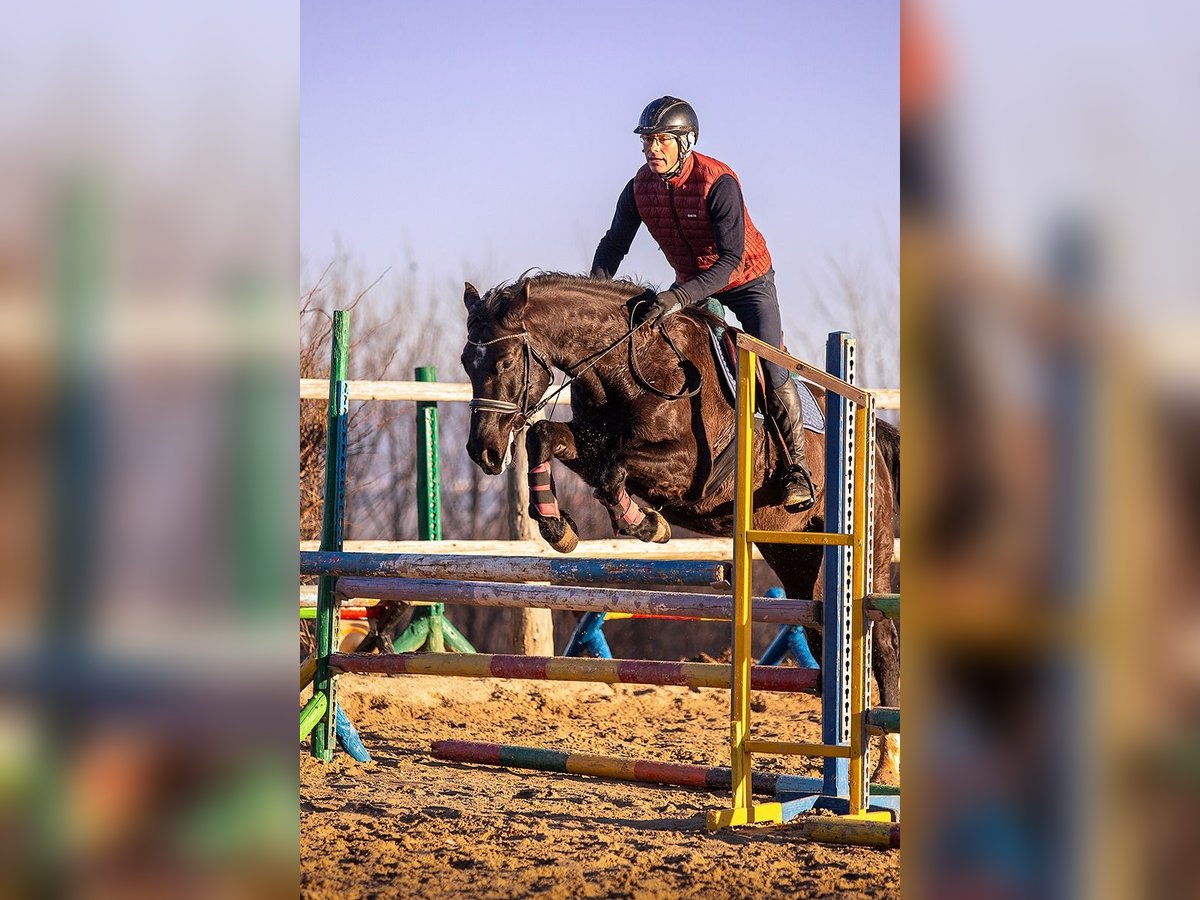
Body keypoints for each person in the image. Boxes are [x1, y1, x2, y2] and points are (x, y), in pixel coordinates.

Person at [591, 96, 815, 510]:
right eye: (646, 141)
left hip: (746, 279)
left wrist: (678, 296)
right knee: (669, 352)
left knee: (769, 363)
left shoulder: (719, 182)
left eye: (661, 140)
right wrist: (595, 295)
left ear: (686, 142)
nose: (651, 148)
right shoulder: (639, 187)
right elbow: (614, 244)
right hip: (694, 283)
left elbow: (729, 262)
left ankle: (796, 469)